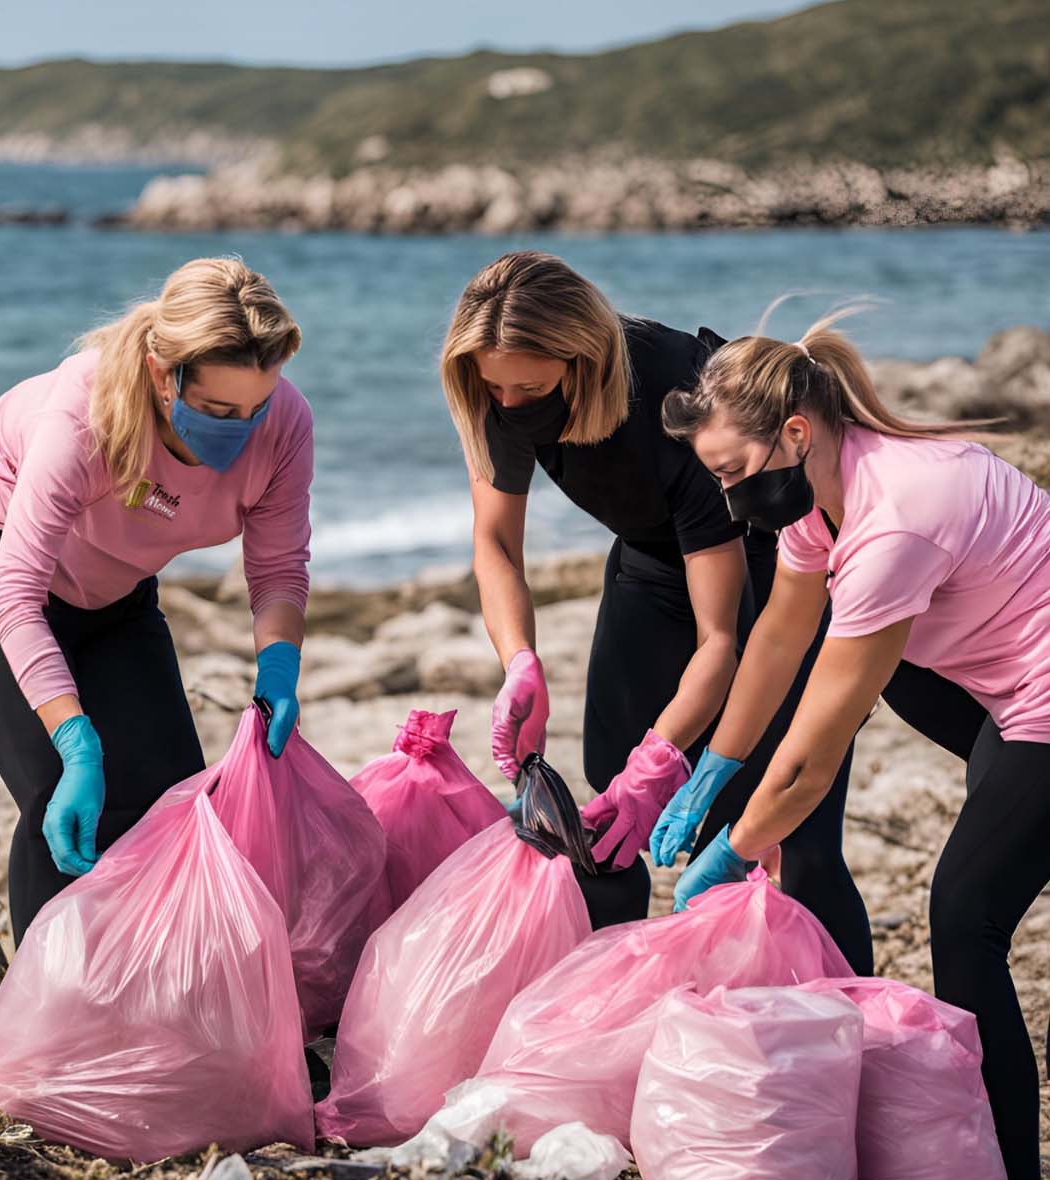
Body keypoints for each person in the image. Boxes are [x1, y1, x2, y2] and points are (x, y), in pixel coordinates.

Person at [659, 306, 1050, 1177]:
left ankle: (1009, 1165)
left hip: (1041, 695)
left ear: (795, 433)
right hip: (1000, 692)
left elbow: (808, 764)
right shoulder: (822, 495)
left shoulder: (893, 520)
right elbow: (777, 641)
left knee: (965, 911)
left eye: (733, 472)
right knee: (856, 663)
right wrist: (717, 765)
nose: (728, 499)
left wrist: (735, 846)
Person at [439, 251, 871, 969]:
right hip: (647, 559)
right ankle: (624, 1011)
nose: (511, 406)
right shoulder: (499, 394)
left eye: (532, 387)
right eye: (497, 388)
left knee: (791, 837)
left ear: (582, 362)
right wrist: (520, 659)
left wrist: (666, 758)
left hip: (773, 565)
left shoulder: (681, 401)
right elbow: (495, 547)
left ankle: (855, 1034)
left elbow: (720, 641)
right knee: (606, 820)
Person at [0, 257, 314, 944]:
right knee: (60, 792)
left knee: (172, 806)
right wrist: (76, 742)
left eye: (255, 408)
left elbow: (277, 567)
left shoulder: (285, 426)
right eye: (218, 411)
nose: (241, 430)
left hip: (116, 591)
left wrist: (278, 672)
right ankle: (44, 1024)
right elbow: (12, 593)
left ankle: (153, 1010)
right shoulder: (87, 410)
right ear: (164, 376)